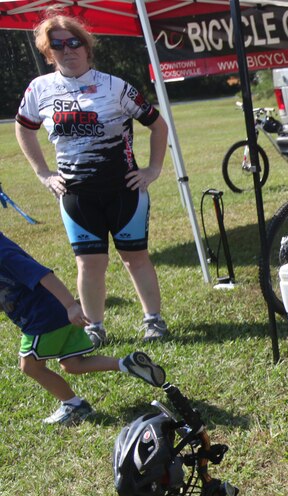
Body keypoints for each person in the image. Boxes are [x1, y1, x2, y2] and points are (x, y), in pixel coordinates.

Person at [15, 11, 169, 347]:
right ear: (47, 51)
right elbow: (23, 129)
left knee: (135, 257)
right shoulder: (39, 89)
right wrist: (43, 174)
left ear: (87, 47)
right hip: (76, 195)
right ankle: (95, 326)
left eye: (75, 42)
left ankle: (154, 320)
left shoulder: (116, 86)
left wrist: (153, 169)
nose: (67, 49)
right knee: (88, 263)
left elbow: (158, 124)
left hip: (124, 190)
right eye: (57, 44)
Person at [2, 231, 166, 426]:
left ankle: (74, 405)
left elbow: (43, 275)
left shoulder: (3, 253)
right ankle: (126, 364)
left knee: (30, 366)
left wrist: (71, 305)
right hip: (57, 313)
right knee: (72, 364)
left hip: (43, 317)